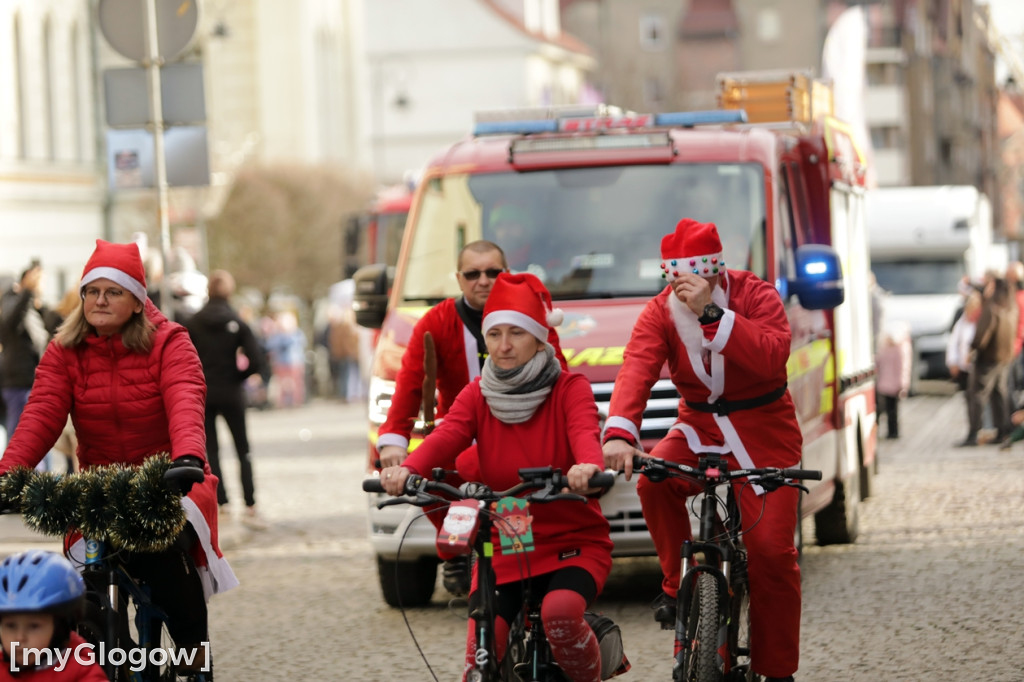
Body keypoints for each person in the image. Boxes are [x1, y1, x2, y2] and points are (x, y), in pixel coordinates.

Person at [0, 239, 238, 667]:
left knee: (168, 570)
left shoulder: (170, 342)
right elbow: (41, 414)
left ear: (136, 300)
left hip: (168, 480)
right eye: (92, 291)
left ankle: (192, 658)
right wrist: (7, 475)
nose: (99, 300)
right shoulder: (64, 349)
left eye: (113, 292)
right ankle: (108, 661)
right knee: (84, 593)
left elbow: (185, 396)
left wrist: (187, 457)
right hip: (100, 487)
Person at [381, 272, 611, 682]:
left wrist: (587, 467)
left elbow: (583, 432)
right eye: (495, 334)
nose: (503, 346)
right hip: (509, 534)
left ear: (540, 338)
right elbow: (448, 434)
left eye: (517, 334)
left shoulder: (568, 387)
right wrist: (407, 470)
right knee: (481, 649)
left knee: (559, 615)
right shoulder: (477, 392)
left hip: (571, 536)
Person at [602, 218, 802, 682]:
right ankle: (678, 586)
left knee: (772, 553)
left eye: (698, 280)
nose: (686, 291)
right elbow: (636, 368)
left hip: (764, 431)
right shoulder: (660, 311)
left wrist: (714, 315)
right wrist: (619, 433)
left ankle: (777, 670)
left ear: (716, 272)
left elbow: (774, 355)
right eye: (678, 281)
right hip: (698, 426)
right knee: (653, 481)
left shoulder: (756, 295)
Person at [376, 240, 566, 596]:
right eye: (473, 273)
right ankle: (456, 548)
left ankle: (521, 563)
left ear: (506, 274)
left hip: (522, 431)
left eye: (493, 272)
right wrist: (393, 441)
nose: (484, 280)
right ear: (459, 279)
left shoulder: (530, 314)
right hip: (460, 432)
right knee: (427, 473)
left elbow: (560, 376)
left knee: (519, 485)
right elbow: (410, 382)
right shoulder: (437, 321)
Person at [185, 269, 267, 529]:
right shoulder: (237, 321)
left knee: (212, 451)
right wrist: (238, 375)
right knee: (243, 449)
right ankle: (250, 502)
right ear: (229, 292)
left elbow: (185, 358)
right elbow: (257, 360)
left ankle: (222, 503)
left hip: (205, 392)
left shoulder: (194, 322)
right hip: (232, 392)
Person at [0, 550, 107, 681]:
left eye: (34, 626)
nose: (19, 638)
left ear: (59, 628)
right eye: (10, 626)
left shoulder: (80, 672)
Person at [0, 261, 52, 467]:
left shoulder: (30, 307)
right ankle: (15, 488)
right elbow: (11, 321)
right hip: (20, 384)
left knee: (38, 439)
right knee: (21, 442)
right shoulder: (12, 301)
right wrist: (28, 291)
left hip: (33, 383)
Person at [958, 275, 1017, 446]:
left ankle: (973, 433)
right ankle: (1002, 431)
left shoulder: (992, 308)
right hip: (1004, 357)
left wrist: (973, 349)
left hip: (988, 358)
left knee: (976, 395)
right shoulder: (1011, 307)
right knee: (1000, 394)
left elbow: (982, 335)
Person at [874, 321, 912, 439]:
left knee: (887, 409)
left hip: (887, 384)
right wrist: (903, 385)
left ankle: (891, 431)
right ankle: (892, 431)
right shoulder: (900, 348)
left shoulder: (887, 348)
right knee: (891, 410)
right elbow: (903, 368)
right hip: (892, 384)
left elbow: (877, 363)